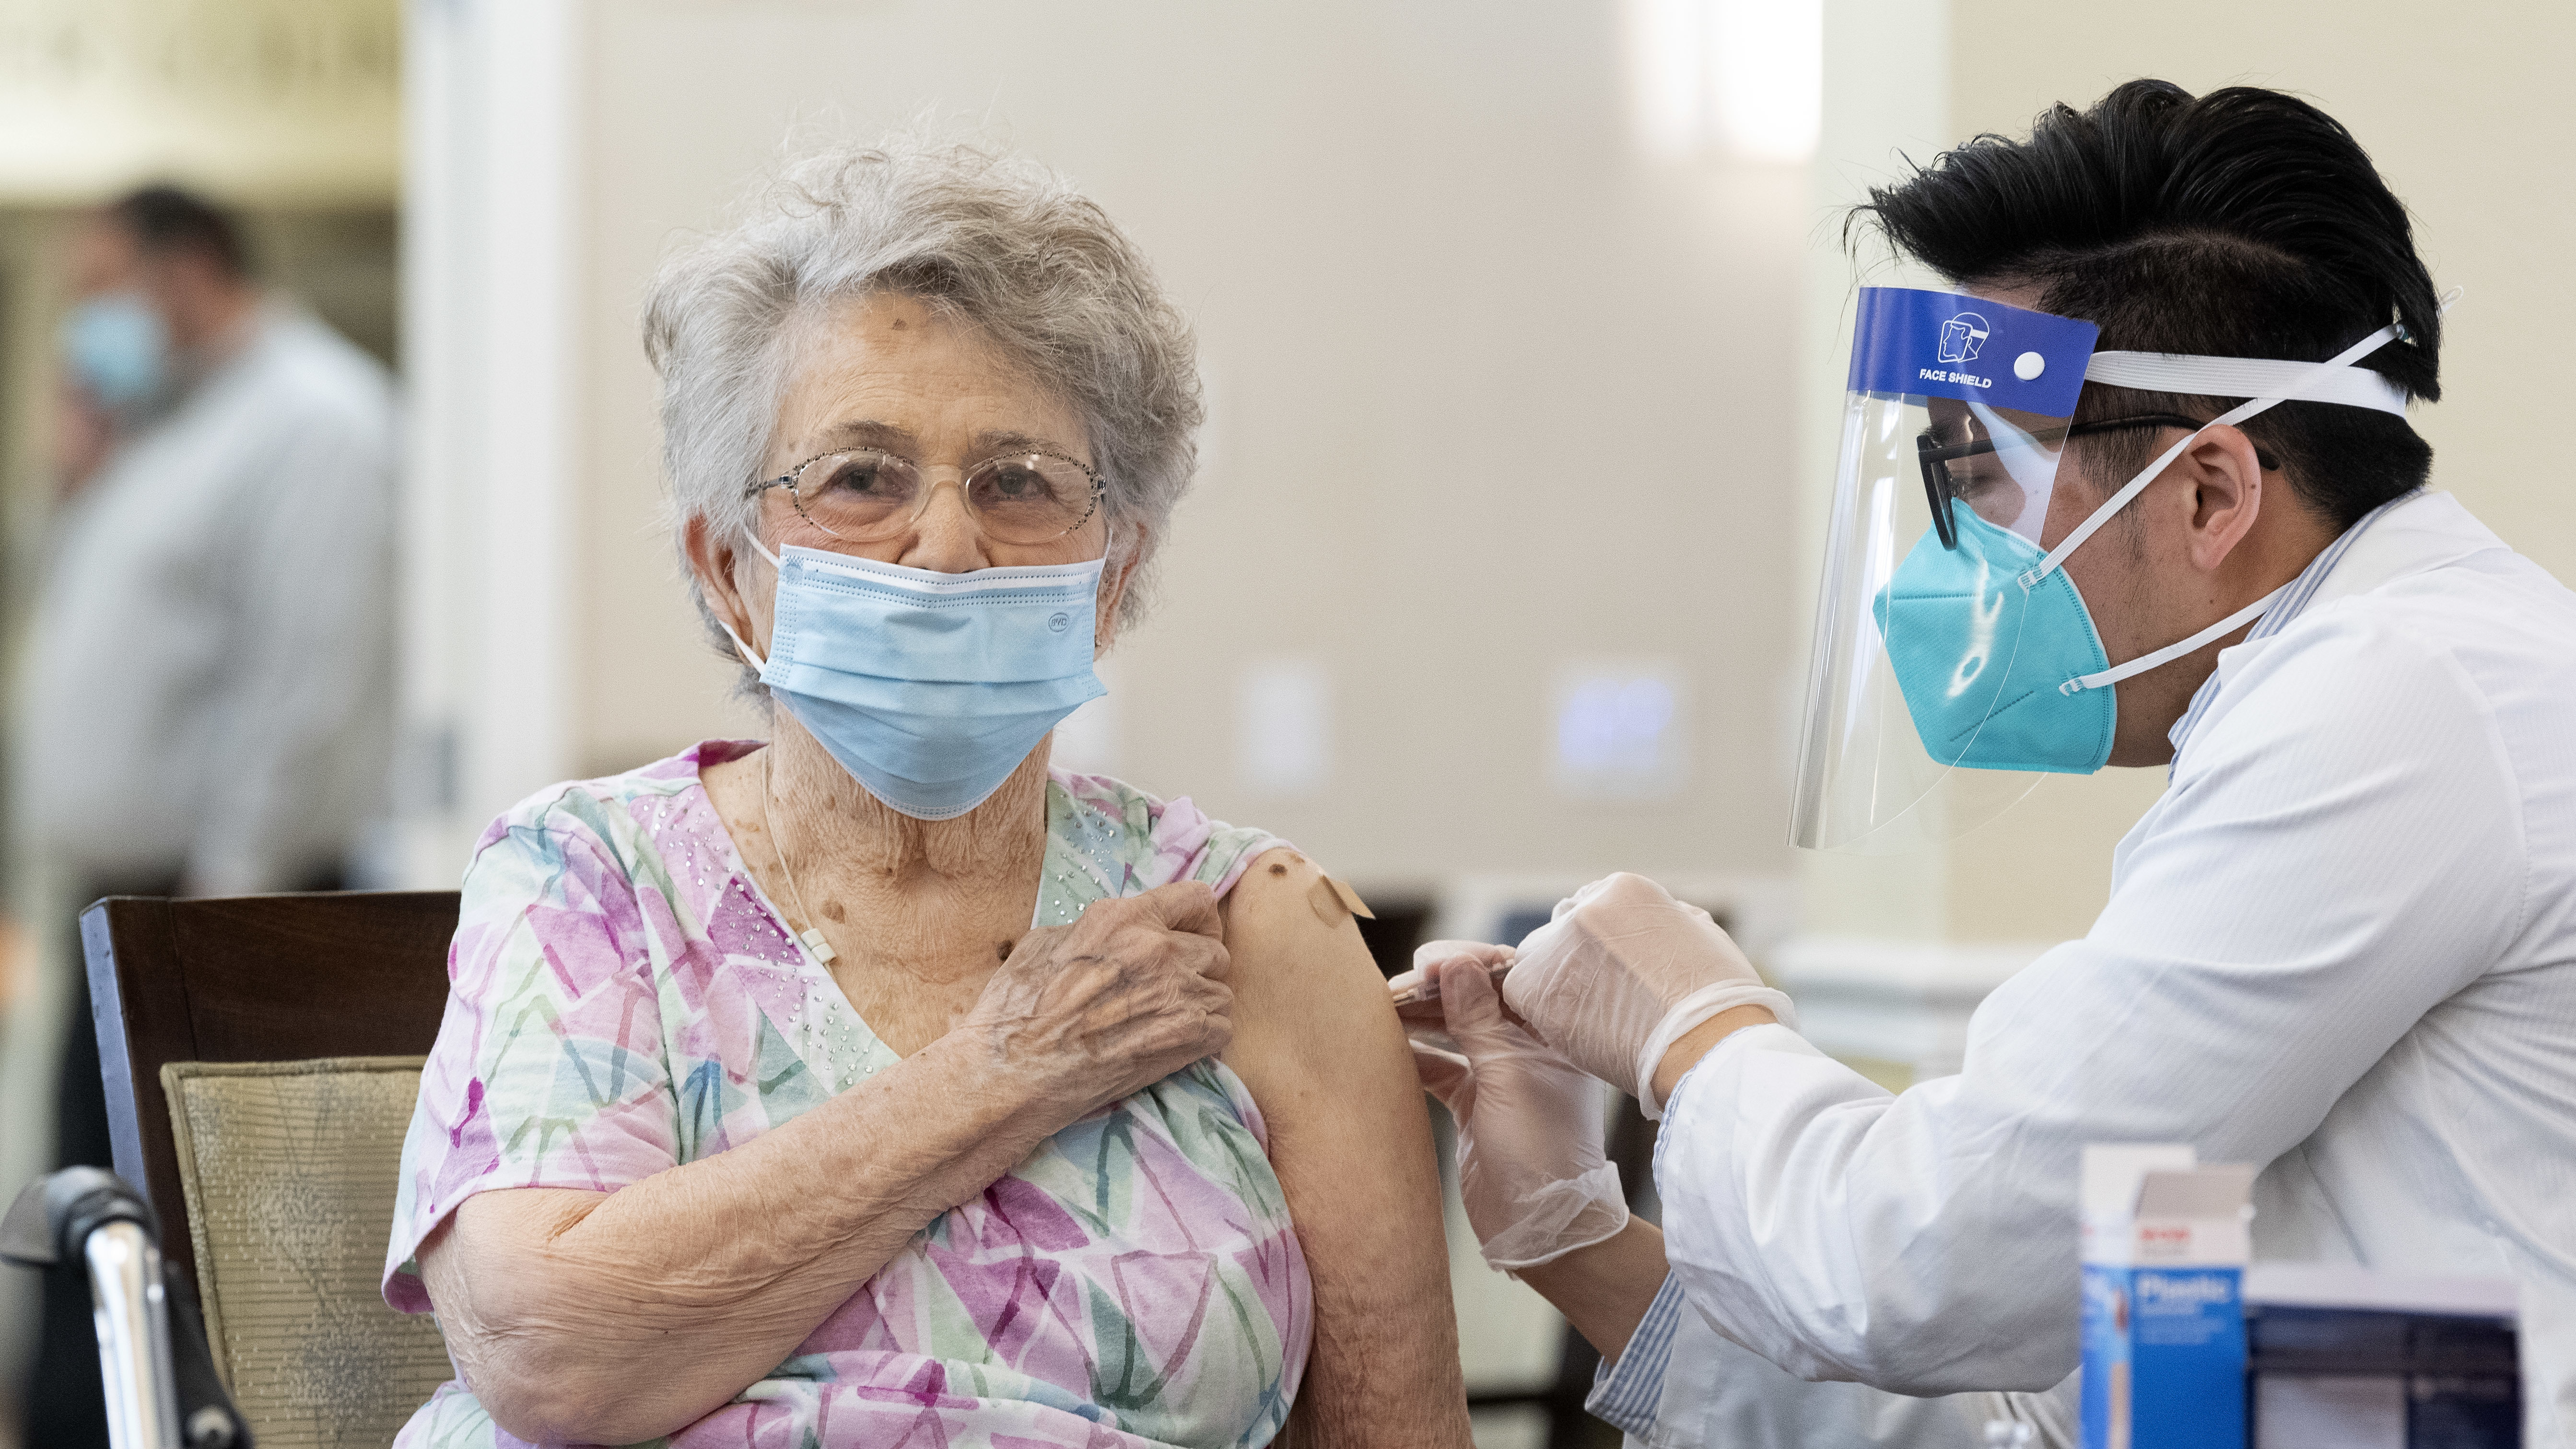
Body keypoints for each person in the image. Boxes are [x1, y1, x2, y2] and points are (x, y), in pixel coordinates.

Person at [1405, 81, 2576, 1447]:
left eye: (1978, 480)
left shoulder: (2400, 707)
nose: (1944, 559)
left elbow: (1925, 1265)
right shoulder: (2332, 707)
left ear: (2207, 493)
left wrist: (1689, 1026)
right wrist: (1574, 1241)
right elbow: (2064, 1408)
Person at [380, 139, 1472, 1449]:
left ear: (1110, 575)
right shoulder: (589, 881)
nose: (948, 544)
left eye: (1018, 483)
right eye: (860, 478)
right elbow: (546, 1352)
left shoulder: (1250, 932)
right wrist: (1008, 1070)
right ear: (731, 572)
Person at [14, 184, 396, 1449]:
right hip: (127, 909)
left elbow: (304, 689)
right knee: (96, 1239)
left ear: (190, 271)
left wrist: (213, 930)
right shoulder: (168, 425)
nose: (88, 317)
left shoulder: (316, 419)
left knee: (209, 1277)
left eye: (106, 282)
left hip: (219, 914)